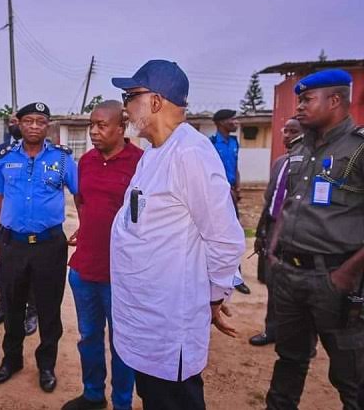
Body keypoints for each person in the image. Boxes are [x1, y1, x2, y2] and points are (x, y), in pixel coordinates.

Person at [109, 60, 245, 410]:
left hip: (170, 322)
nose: (125, 106)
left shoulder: (190, 154)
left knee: (173, 402)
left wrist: (212, 297)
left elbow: (224, 238)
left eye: (130, 96)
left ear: (155, 101)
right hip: (148, 315)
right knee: (154, 399)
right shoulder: (154, 152)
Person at [266, 69, 364, 409]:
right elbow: (289, 204)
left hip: (334, 280)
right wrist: (274, 253)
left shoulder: (358, 149)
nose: (298, 108)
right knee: (289, 360)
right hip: (290, 275)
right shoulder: (300, 149)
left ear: (335, 100)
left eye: (307, 100)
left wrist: (347, 273)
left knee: (352, 376)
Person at [0, 102, 78, 392]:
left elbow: (81, 194)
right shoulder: (4, 158)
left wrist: (84, 228)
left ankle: (46, 365)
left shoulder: (63, 160)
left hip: (50, 246)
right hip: (12, 245)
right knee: (12, 305)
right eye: (29, 121)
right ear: (19, 123)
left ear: (47, 125)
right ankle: (12, 360)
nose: (34, 126)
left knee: (49, 309)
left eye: (40, 121)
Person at [62, 100, 140, 410]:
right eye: (91, 125)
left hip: (121, 275)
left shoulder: (141, 162)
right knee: (88, 337)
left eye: (101, 125)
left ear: (121, 128)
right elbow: (82, 201)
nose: (93, 131)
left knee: (122, 344)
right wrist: (85, 227)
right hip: (84, 269)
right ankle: (93, 395)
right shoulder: (86, 161)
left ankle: (122, 403)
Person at [249, 118, 303, 347]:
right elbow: (270, 201)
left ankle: (294, 334)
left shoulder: (308, 163)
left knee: (292, 283)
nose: (288, 135)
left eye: (294, 131)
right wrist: (261, 231)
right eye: (286, 130)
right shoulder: (279, 163)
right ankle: (272, 330)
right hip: (272, 227)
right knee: (271, 281)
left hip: (294, 231)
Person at [0, 116, 38, 335]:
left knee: (31, 275)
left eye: (15, 121)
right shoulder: (0, 151)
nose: (13, 125)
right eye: (11, 121)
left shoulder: (38, 151)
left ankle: (31, 313)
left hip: (32, 229)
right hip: (6, 226)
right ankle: (2, 309)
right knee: (4, 271)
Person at [211, 109, 252, 295]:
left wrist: (238, 188)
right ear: (220, 122)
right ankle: (216, 276)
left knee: (234, 235)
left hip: (232, 194)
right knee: (217, 236)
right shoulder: (210, 143)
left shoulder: (235, 142)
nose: (235, 122)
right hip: (217, 196)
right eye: (232, 119)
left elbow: (235, 167)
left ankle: (236, 277)